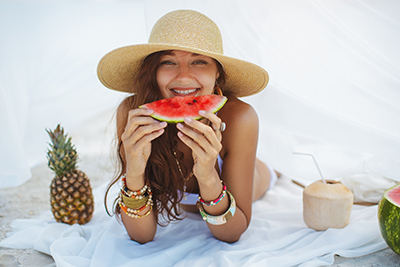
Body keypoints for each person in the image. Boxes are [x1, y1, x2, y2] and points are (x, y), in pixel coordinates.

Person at [97, 9, 277, 244]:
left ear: (218, 74)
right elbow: (142, 236)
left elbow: (232, 233)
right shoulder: (133, 114)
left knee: (271, 171)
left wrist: (208, 176)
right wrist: (134, 171)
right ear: (153, 72)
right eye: (168, 62)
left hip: (256, 177)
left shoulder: (239, 118)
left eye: (199, 61)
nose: (183, 76)